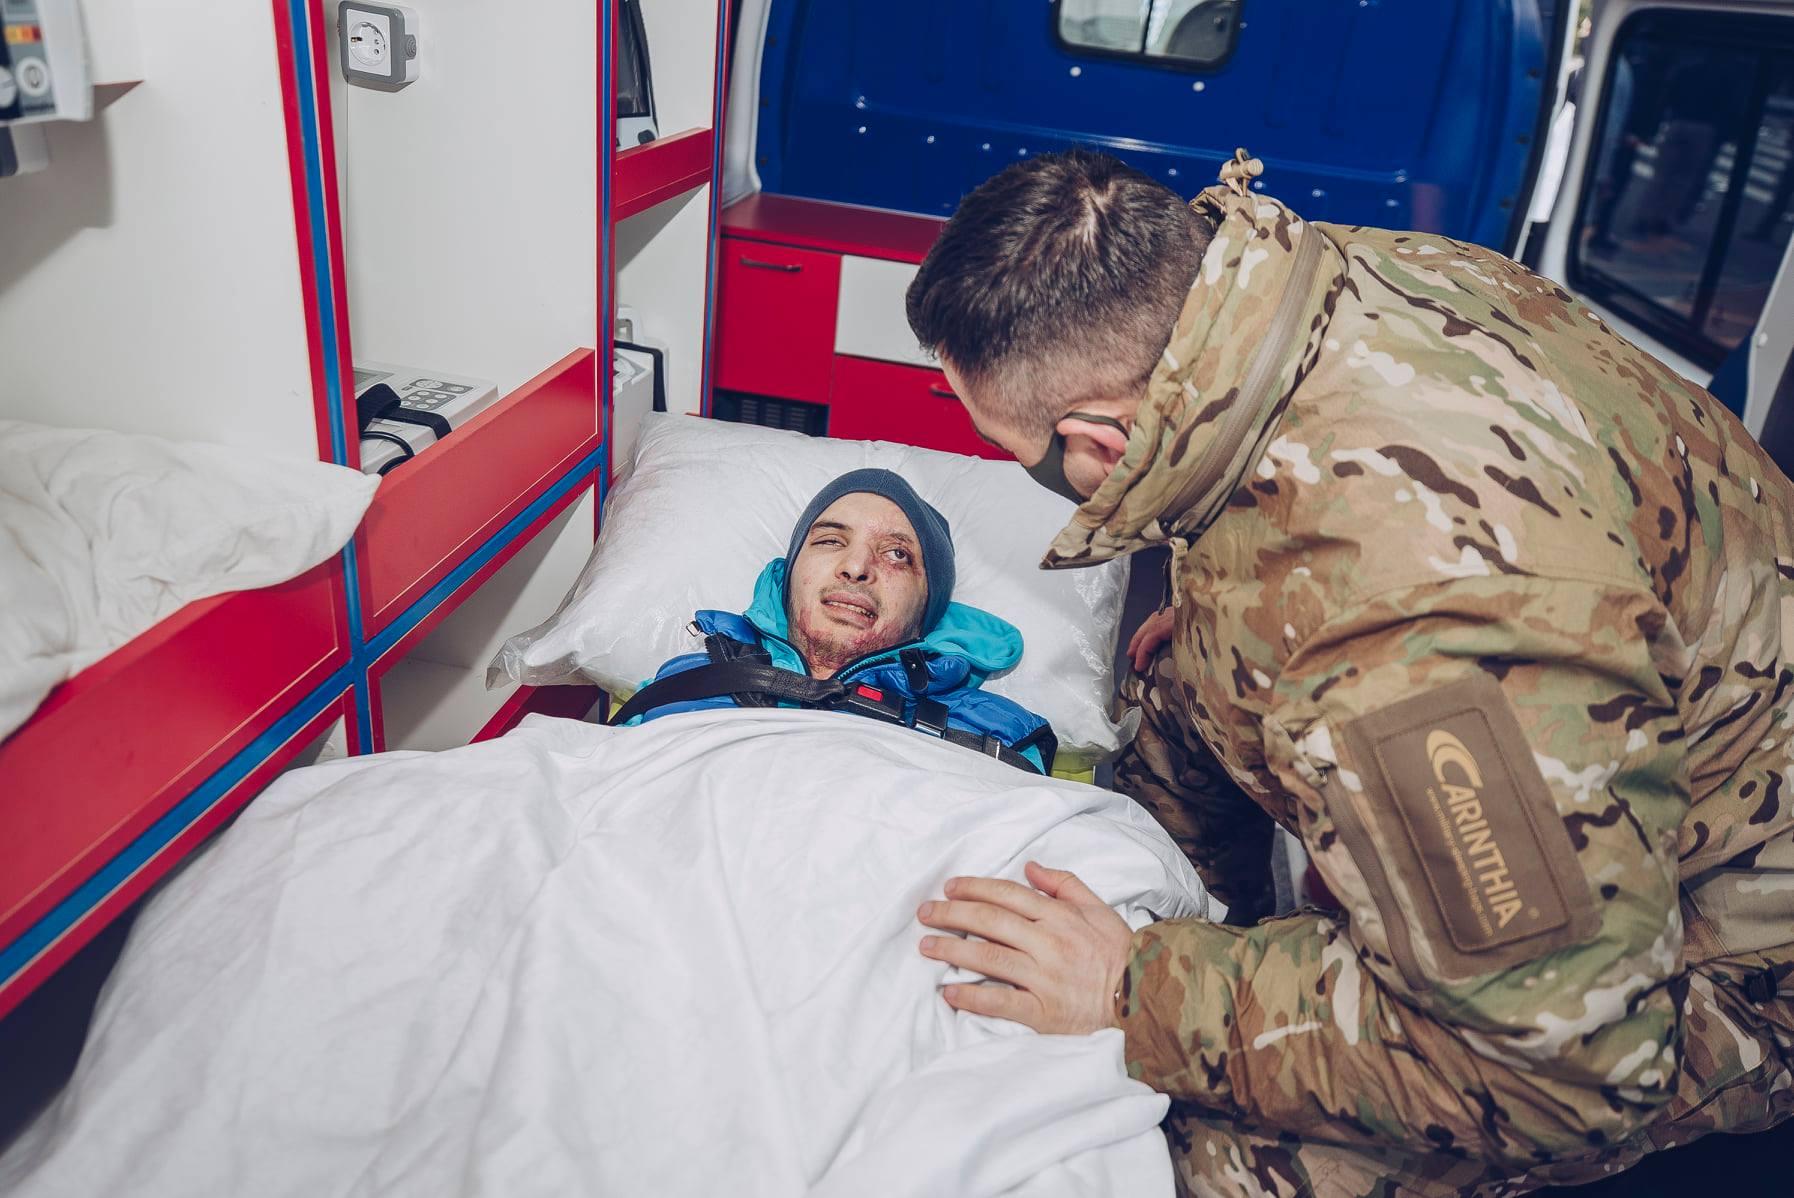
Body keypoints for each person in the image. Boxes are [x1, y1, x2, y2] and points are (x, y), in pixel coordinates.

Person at [905, 148, 1794, 1194]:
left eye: (1009, 445)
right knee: (1179, 686)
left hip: (1719, 950)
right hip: (1616, 681)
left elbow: (1564, 1063)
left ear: (1098, 444)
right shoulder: (1308, 282)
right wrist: (1225, 607)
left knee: (1179, 1161)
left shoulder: (1413, 622)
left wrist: (1139, 992)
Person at [619, 468, 1058, 773]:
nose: (856, 566)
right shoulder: (682, 684)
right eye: (830, 540)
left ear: (928, 609)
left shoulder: (995, 735)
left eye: (897, 554)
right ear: (791, 574)